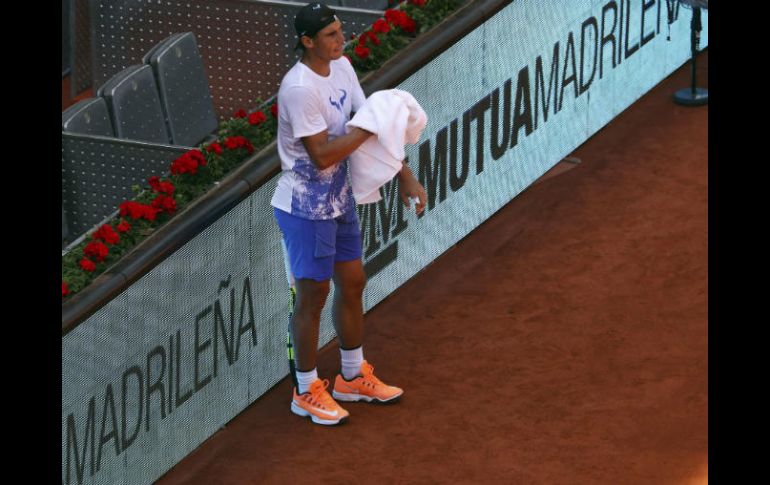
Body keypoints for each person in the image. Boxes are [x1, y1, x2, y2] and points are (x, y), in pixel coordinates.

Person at [271, 2, 427, 425]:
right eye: (331, 36)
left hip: (339, 200)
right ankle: (305, 390)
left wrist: (405, 174)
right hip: (305, 208)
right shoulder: (299, 89)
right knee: (312, 296)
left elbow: (366, 118)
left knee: (353, 281)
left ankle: (352, 376)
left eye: (341, 32)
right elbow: (321, 155)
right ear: (307, 42)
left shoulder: (341, 68)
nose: (342, 41)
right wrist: (366, 130)